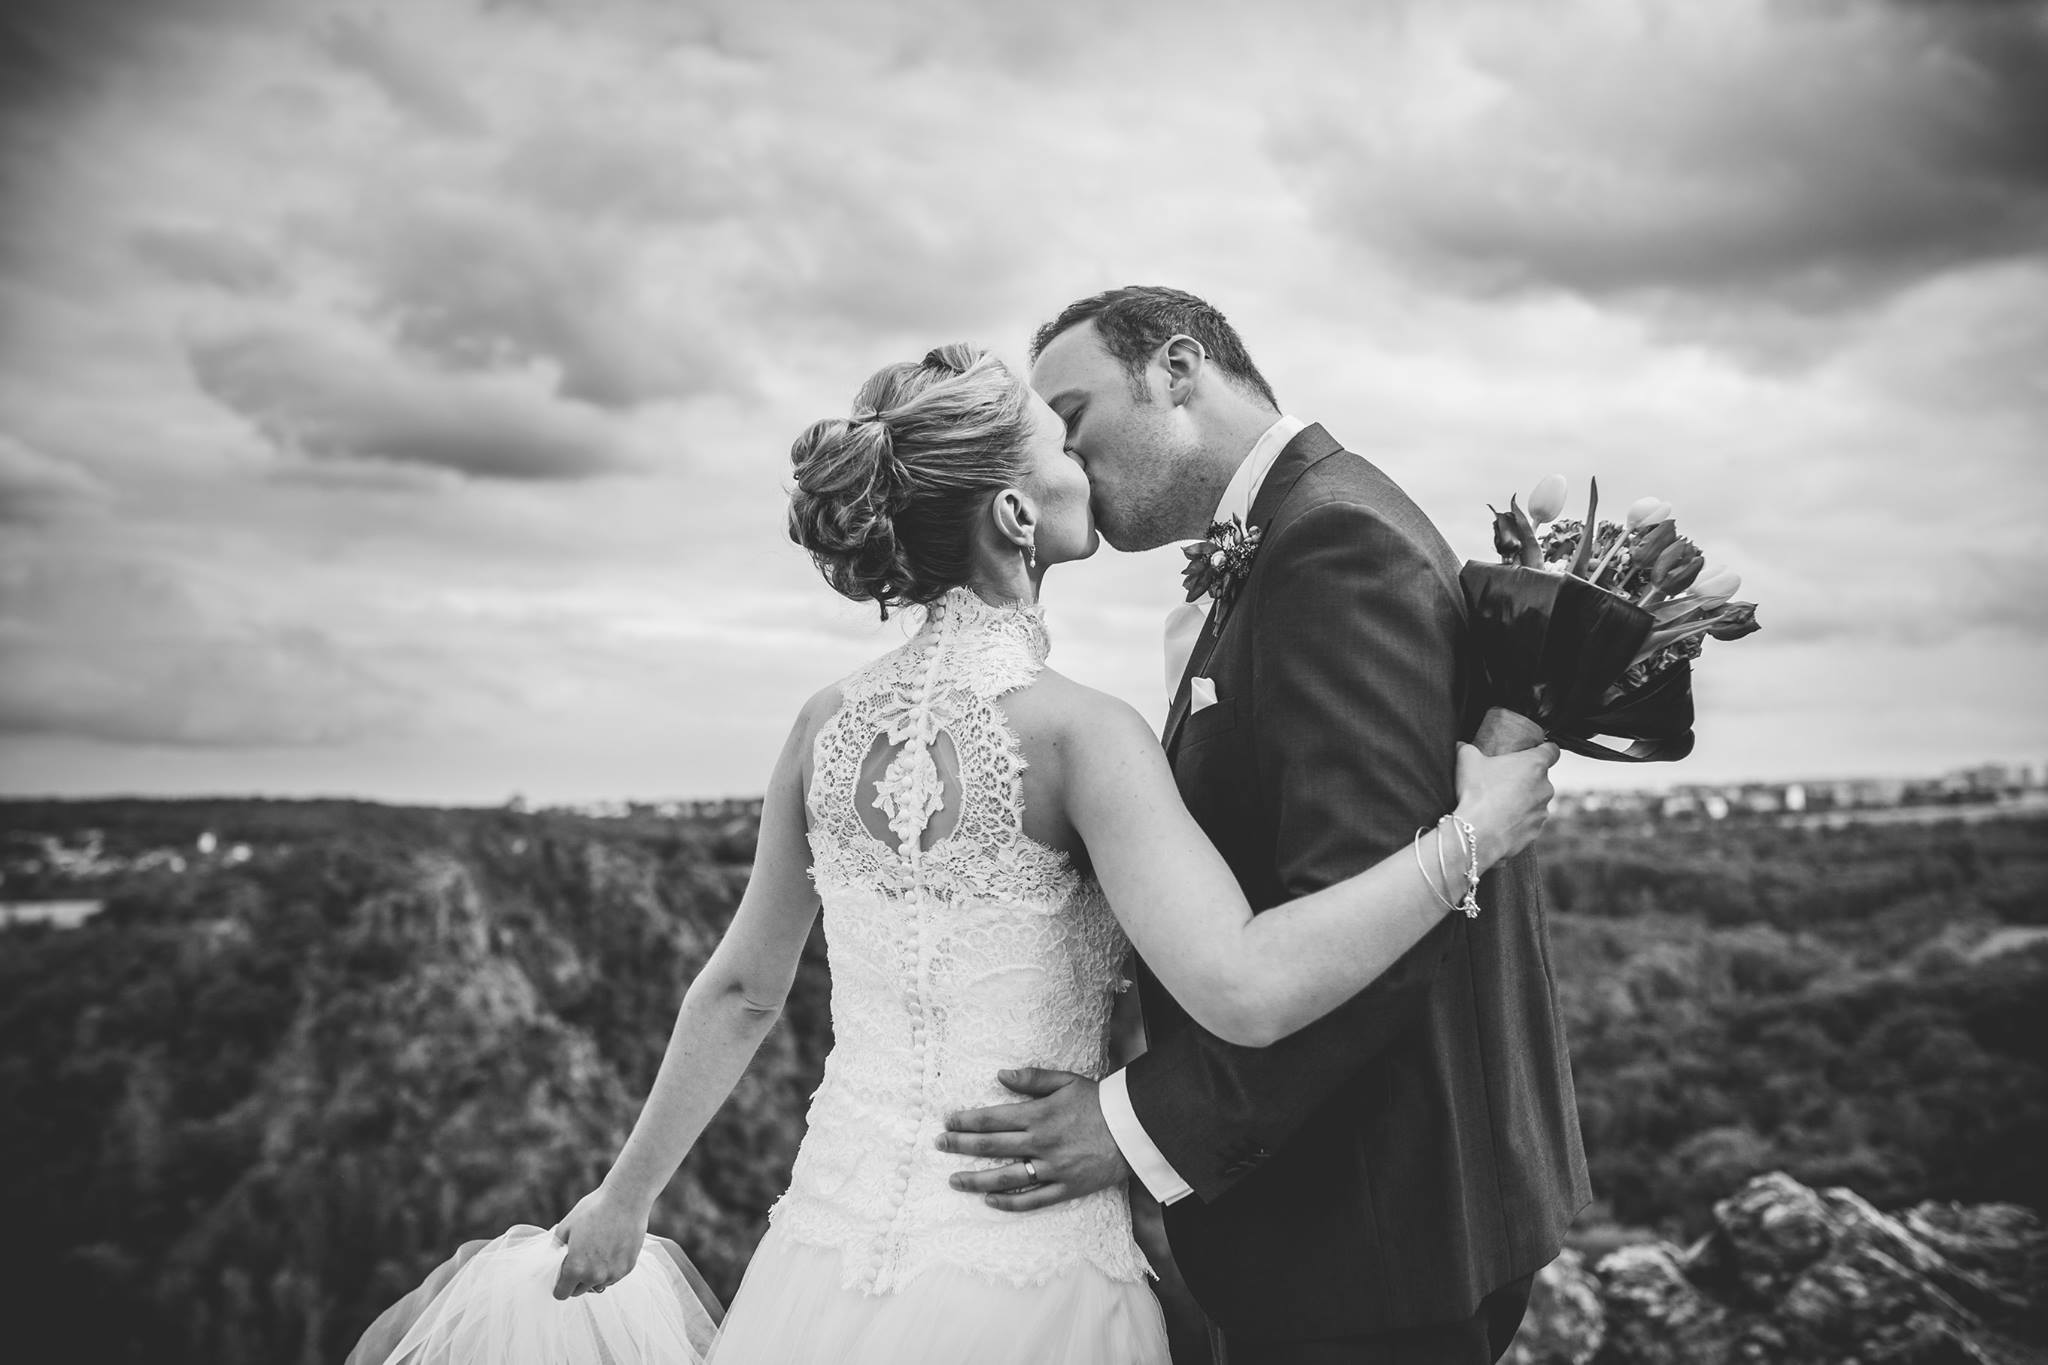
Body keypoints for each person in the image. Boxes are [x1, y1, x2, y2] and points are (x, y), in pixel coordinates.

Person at [350, 342, 1560, 1365]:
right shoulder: (1081, 737)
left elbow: (740, 991)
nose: (1078, 456)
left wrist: (627, 1196)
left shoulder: (822, 728)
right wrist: (1473, 835)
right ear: (1015, 516)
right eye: (1056, 441)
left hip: (823, 1254)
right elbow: (1242, 987)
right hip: (1023, 1262)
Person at [940, 288, 1594, 1365]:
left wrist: (1135, 1126)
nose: (1061, 458)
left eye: (1073, 415)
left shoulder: (1333, 543)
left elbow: (1377, 924)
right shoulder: (1297, 531)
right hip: (1357, 1222)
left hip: (1374, 1232)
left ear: (1176, 369)